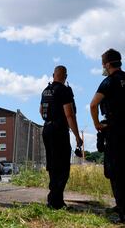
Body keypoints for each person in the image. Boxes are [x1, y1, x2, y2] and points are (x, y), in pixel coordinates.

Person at [90, 48, 125, 224]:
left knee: (116, 172)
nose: (103, 68)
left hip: (115, 131)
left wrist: (98, 124)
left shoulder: (109, 82)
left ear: (107, 64)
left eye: (103, 65)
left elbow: (93, 105)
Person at [39, 65, 83, 209]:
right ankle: (55, 201)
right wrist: (77, 136)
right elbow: (69, 114)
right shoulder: (64, 91)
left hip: (47, 129)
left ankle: (53, 199)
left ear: (53, 75)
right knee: (63, 167)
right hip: (59, 130)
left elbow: (41, 111)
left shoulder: (45, 91)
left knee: (52, 165)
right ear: (65, 76)